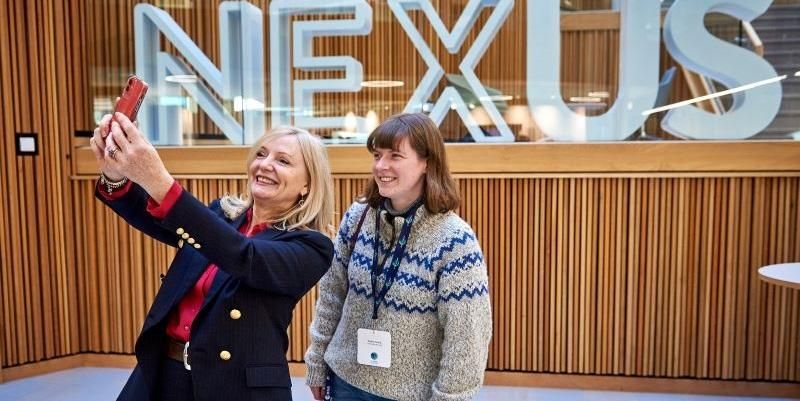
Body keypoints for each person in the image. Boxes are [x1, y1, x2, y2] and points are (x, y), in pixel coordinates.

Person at [91, 112, 336, 401]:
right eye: (261, 154)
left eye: (282, 161)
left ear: (307, 184)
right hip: (165, 373)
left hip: (236, 388)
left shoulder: (311, 246)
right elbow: (157, 218)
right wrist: (115, 175)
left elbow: (242, 256)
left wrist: (157, 178)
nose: (265, 165)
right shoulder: (221, 215)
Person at [305, 113, 492, 401]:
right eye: (377, 155)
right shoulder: (358, 217)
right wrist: (317, 361)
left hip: (410, 394)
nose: (381, 166)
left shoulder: (455, 240)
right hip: (344, 381)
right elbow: (332, 295)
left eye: (395, 156)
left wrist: (449, 398)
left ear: (426, 162)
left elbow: (467, 336)